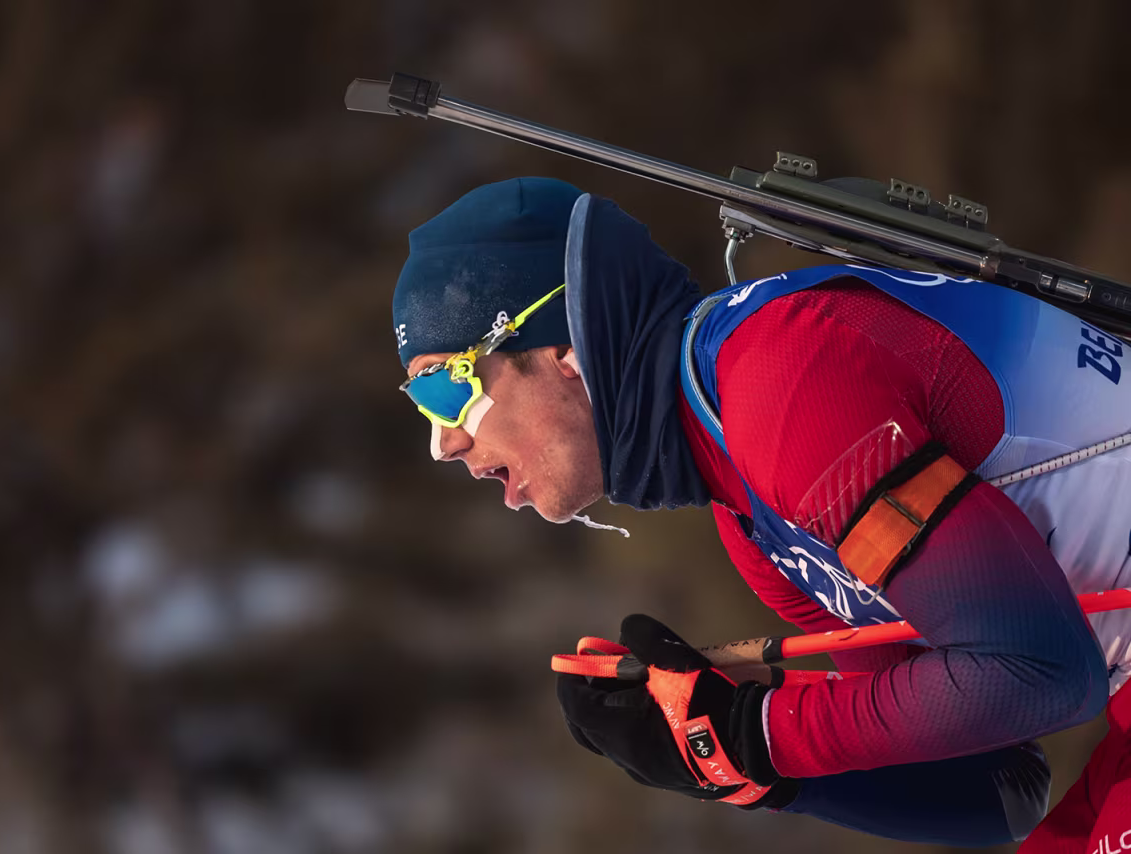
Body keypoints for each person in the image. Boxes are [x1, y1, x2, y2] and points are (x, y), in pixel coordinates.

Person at [390, 175, 1131, 848]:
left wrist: (754, 735)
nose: (442, 444)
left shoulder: (781, 380)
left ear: (565, 349)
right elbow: (994, 788)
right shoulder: (750, 517)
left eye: (443, 390)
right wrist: (730, 763)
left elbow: (1041, 671)